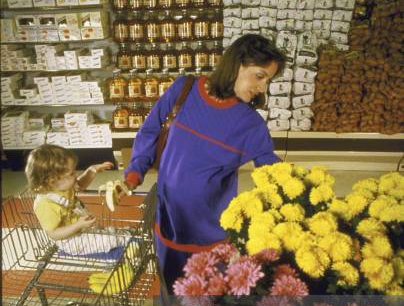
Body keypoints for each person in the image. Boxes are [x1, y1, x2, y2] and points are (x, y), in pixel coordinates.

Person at [124, 34, 286, 290]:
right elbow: (150, 130)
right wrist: (133, 176)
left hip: (212, 238)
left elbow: (272, 172)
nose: (263, 88)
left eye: (269, 80)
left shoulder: (251, 124)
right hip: (168, 223)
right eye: (259, 75)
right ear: (237, 64)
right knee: (172, 296)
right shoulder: (184, 89)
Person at [25, 144, 127, 257]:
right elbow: (53, 234)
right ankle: (130, 242)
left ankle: (124, 236)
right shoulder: (46, 204)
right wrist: (78, 225)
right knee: (109, 241)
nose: (76, 175)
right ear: (51, 180)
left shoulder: (62, 186)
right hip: (71, 241)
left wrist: (91, 170)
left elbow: (80, 185)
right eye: (72, 173)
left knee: (111, 232)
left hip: (83, 228)